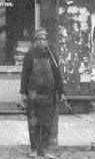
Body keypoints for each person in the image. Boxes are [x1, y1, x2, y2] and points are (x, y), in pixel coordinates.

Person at [19, 28, 66, 159]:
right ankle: (34, 149)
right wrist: (23, 93)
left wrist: (62, 92)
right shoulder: (30, 55)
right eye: (39, 39)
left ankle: (44, 150)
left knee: (47, 123)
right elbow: (25, 75)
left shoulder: (52, 56)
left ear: (47, 41)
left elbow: (58, 75)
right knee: (33, 123)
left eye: (44, 39)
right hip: (33, 95)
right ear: (35, 41)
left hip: (49, 95)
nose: (41, 42)